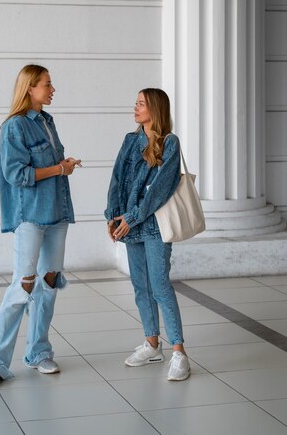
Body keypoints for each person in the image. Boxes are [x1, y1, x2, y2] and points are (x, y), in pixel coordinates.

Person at [0, 64, 81, 387]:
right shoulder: (14, 127)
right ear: (30, 89)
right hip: (31, 216)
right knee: (22, 284)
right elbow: (17, 175)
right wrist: (59, 169)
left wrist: (63, 168)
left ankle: (38, 352)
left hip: (58, 213)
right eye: (47, 85)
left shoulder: (48, 122)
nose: (53, 90)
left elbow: (50, 169)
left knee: (49, 281)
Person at [105, 88, 190, 381]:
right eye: (137, 103)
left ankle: (179, 352)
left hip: (152, 227)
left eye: (141, 103)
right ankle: (152, 344)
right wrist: (111, 216)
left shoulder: (170, 143)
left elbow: (161, 189)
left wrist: (131, 217)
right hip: (129, 226)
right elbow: (117, 179)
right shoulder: (130, 140)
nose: (136, 107)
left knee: (160, 286)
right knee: (141, 287)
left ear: (155, 108)